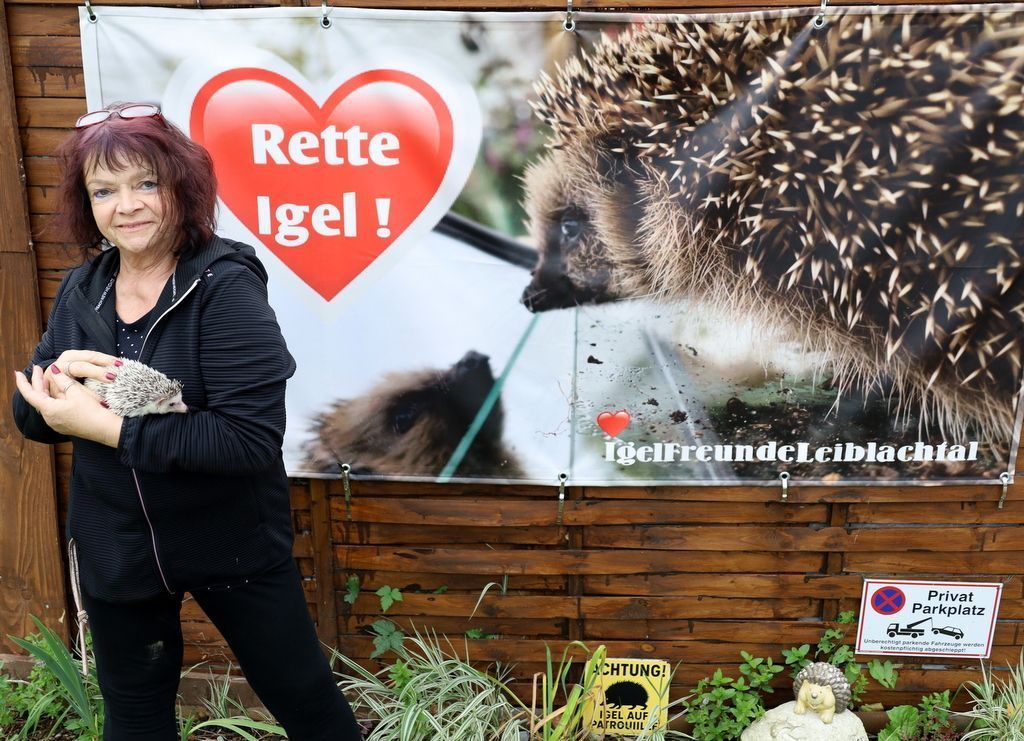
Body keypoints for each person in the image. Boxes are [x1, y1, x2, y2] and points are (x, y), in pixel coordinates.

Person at [11, 102, 362, 740]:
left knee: (304, 700)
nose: (127, 205)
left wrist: (105, 426)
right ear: (87, 205)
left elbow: (248, 441)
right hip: (118, 545)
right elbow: (32, 419)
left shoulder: (222, 286)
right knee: (135, 715)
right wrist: (58, 380)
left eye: (147, 182)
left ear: (182, 184)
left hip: (231, 541)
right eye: (104, 191)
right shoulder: (83, 288)